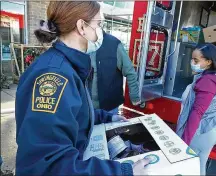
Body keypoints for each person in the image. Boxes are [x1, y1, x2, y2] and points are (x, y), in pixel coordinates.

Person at [15, 2, 149, 175]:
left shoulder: (68, 66)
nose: (100, 31)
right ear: (81, 27)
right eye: (98, 24)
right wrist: (122, 172)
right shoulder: (54, 76)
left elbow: (74, 114)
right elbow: (50, 165)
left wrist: (106, 117)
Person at [176, 43, 216, 175]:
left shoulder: (207, 81)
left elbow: (197, 112)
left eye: (196, 60)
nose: (192, 63)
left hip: (200, 131)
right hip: (210, 127)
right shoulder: (212, 76)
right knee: (199, 166)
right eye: (192, 59)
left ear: (208, 62)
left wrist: (184, 142)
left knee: (190, 167)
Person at [89, 17, 141, 114]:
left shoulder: (114, 44)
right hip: (86, 107)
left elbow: (130, 72)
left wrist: (134, 96)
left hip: (109, 107)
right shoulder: (81, 43)